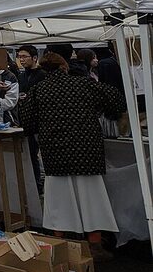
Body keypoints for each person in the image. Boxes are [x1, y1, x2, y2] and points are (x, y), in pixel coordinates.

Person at [19, 52, 125, 261]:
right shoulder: (84, 84)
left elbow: (27, 124)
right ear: (64, 67)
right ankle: (94, 245)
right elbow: (117, 100)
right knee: (92, 199)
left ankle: (62, 246)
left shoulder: (38, 90)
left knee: (59, 201)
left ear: (43, 69)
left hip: (55, 153)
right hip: (87, 151)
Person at [16, 45, 46, 191]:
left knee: (43, 153)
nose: (21, 60)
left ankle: (42, 182)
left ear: (34, 58)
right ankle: (36, 184)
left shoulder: (43, 74)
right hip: (26, 120)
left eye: (24, 56)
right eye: (19, 57)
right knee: (31, 154)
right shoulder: (21, 75)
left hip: (41, 120)